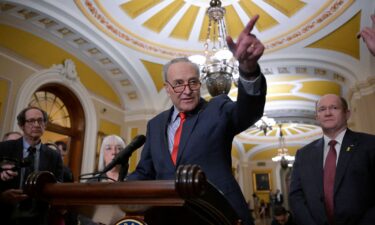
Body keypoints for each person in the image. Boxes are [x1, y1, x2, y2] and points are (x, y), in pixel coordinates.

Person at [127, 15, 267, 225]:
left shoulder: (217, 108)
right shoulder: (155, 125)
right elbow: (145, 172)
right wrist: (114, 186)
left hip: (217, 214)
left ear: (200, 83)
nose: (187, 91)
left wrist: (248, 70)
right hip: (167, 217)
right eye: (179, 84)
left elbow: (249, 112)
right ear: (167, 88)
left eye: (193, 82)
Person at [289, 94, 375, 225]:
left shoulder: (370, 144)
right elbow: (296, 197)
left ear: (347, 114)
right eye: (322, 109)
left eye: (334, 108)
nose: (327, 113)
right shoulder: (303, 154)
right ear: (317, 117)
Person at [0, 106, 63, 225]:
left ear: (45, 125)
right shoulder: (4, 148)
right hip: (5, 214)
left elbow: (58, 186)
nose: (37, 124)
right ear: (22, 125)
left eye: (40, 120)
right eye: (31, 121)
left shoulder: (54, 156)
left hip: (39, 218)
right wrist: (2, 196)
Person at [80, 134, 127, 225]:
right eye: (109, 148)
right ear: (103, 154)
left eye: (119, 148)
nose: (114, 152)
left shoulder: (133, 180)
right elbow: (83, 214)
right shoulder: (92, 182)